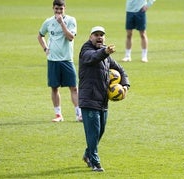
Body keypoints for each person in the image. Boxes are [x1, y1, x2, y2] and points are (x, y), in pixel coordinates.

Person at [78, 26, 130, 172]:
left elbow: (121, 70)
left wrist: (125, 85)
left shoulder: (106, 55)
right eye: (96, 35)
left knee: (100, 131)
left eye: (102, 35)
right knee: (93, 132)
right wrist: (105, 52)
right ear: (90, 37)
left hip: (102, 100)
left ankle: (88, 154)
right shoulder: (86, 50)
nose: (99, 37)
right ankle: (95, 162)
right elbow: (92, 58)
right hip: (89, 99)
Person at [37, 0, 82, 122]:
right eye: (56, 9)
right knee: (54, 88)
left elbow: (70, 37)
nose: (58, 11)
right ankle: (58, 115)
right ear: (53, 8)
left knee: (74, 87)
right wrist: (45, 48)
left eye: (61, 9)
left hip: (67, 59)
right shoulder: (48, 22)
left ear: (64, 8)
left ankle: (79, 114)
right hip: (53, 60)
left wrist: (62, 23)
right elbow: (40, 35)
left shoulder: (71, 20)